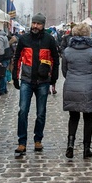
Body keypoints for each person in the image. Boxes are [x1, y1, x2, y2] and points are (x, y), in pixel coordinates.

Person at [12, 13, 59, 157]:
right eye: (34, 23)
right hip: (26, 80)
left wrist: (53, 79)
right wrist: (15, 76)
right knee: (23, 111)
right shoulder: (24, 39)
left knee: (40, 113)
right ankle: (22, 142)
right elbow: (17, 58)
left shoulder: (49, 40)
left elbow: (55, 60)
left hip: (43, 81)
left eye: (38, 24)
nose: (35, 26)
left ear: (43, 25)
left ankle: (38, 139)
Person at [61, 22, 92, 159]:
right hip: (87, 88)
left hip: (71, 87)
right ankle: (87, 148)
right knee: (88, 118)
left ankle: (70, 144)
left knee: (73, 117)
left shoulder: (67, 51)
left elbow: (64, 72)